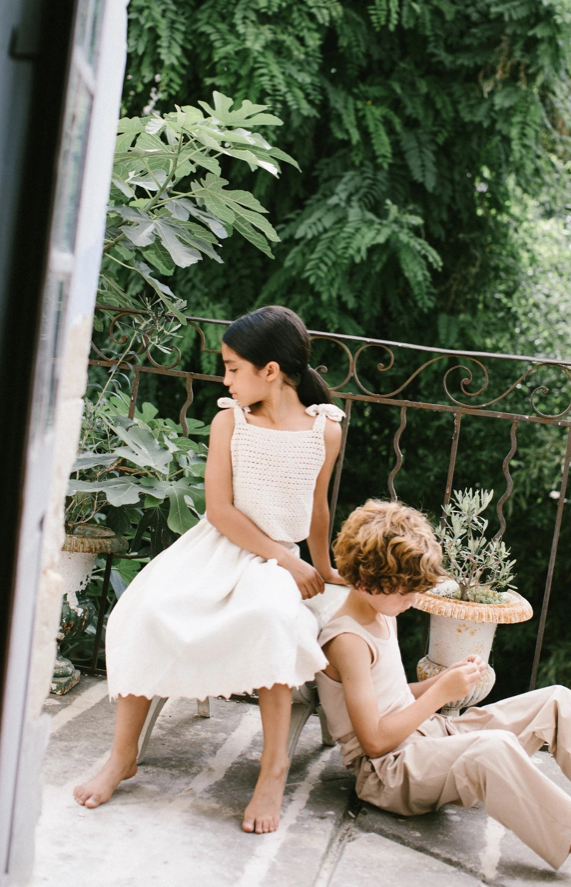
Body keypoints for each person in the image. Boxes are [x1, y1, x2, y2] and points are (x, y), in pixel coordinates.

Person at [74, 305, 349, 833]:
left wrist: (321, 566)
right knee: (146, 608)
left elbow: (317, 507)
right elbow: (221, 512)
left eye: (232, 368)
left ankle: (273, 769)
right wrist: (287, 559)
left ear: (270, 371)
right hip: (220, 547)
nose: (224, 379)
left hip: (276, 565)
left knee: (271, 619)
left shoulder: (324, 430)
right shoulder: (232, 421)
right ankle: (121, 755)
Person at [316, 499, 571, 887]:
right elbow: (373, 741)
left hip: (429, 737)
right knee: (492, 748)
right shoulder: (347, 640)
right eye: (405, 592)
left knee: (555, 700)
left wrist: (437, 684)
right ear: (365, 581)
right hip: (390, 773)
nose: (411, 601)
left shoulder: (379, 612)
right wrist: (439, 693)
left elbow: (388, 697)